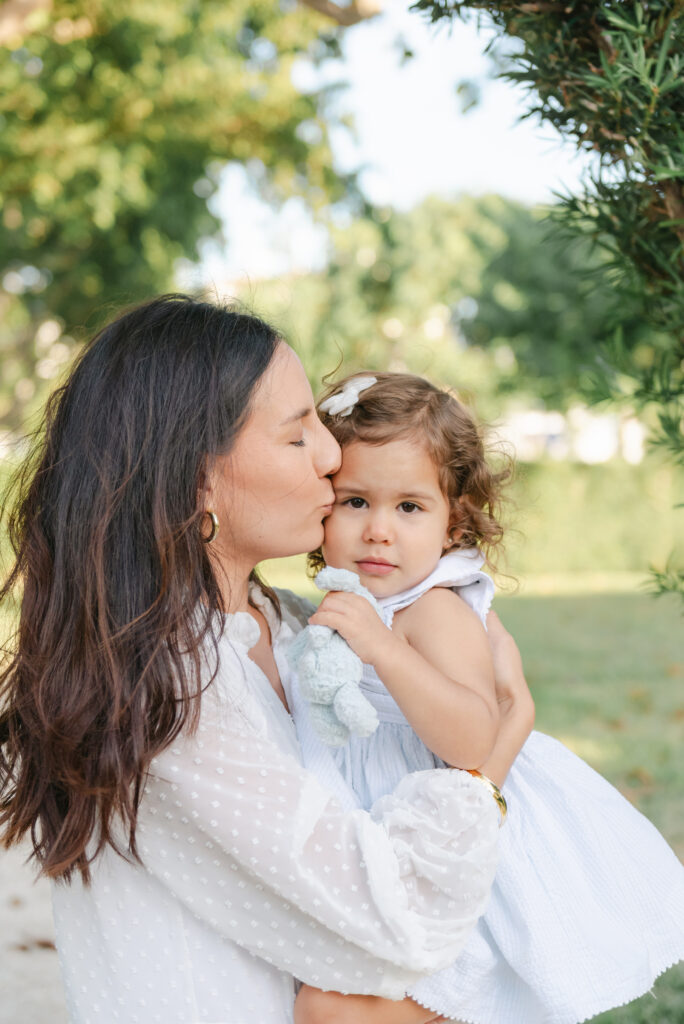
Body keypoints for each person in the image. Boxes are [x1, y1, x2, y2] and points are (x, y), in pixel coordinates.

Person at [0, 296, 534, 1024]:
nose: (331, 454)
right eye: (296, 435)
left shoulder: (290, 626)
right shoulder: (170, 694)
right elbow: (398, 925)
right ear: (196, 481)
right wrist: (490, 769)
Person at [291, 371, 684, 1024]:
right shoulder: (357, 601)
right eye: (355, 501)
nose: (378, 530)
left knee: (371, 1003)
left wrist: (384, 652)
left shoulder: (433, 609)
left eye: (409, 507)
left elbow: (474, 738)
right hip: (395, 825)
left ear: (454, 523)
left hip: (457, 836)